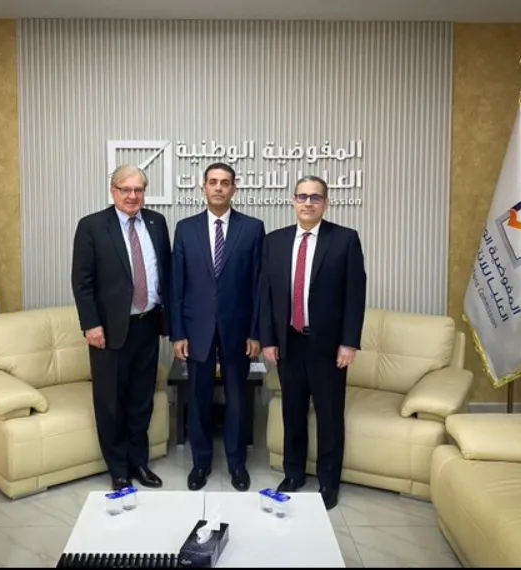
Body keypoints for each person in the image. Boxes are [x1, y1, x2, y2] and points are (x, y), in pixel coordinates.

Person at [259, 175, 366, 510]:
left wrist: (348, 343)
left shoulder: (345, 240)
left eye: (315, 197)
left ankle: (328, 482)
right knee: (292, 412)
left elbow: (355, 296)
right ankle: (293, 474)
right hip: (288, 343)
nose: (308, 203)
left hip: (328, 347)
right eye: (302, 196)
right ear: (293, 201)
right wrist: (268, 340)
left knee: (329, 416)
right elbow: (266, 295)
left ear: (325, 203)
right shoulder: (274, 241)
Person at [71, 164, 172, 491]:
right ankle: (118, 469)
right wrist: (91, 325)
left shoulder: (157, 222)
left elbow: (166, 273)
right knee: (111, 402)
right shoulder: (91, 226)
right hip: (109, 330)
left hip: (148, 325)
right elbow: (82, 282)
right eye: (125, 189)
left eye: (138, 190)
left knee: (141, 400)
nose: (132, 196)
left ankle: (138, 462)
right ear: (112, 190)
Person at [170, 162, 265, 492]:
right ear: (203, 187)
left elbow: (258, 286)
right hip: (196, 329)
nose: (219, 187)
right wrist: (178, 333)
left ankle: (237, 465)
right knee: (199, 398)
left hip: (238, 330)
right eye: (213, 182)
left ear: (234, 188)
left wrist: (256, 332)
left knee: (238, 398)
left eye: (225, 182)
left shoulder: (252, 228)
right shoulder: (185, 229)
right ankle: (201, 463)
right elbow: (176, 285)